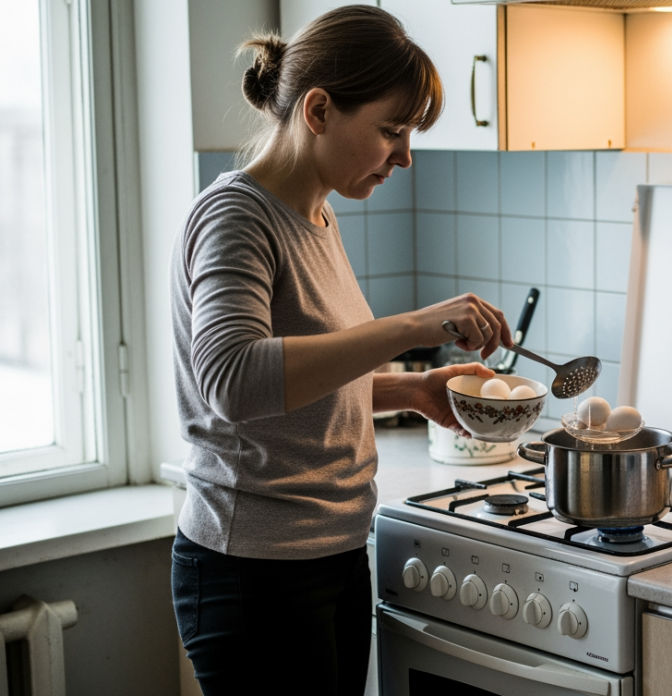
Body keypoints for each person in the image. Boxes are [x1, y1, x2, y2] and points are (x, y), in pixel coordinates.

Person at [169, 7, 510, 694]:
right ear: (319, 110)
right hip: (253, 574)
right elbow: (233, 381)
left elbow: (299, 383)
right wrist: (414, 327)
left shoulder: (316, 215)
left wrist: (409, 391)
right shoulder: (237, 215)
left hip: (330, 552)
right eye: (392, 130)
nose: (406, 155)